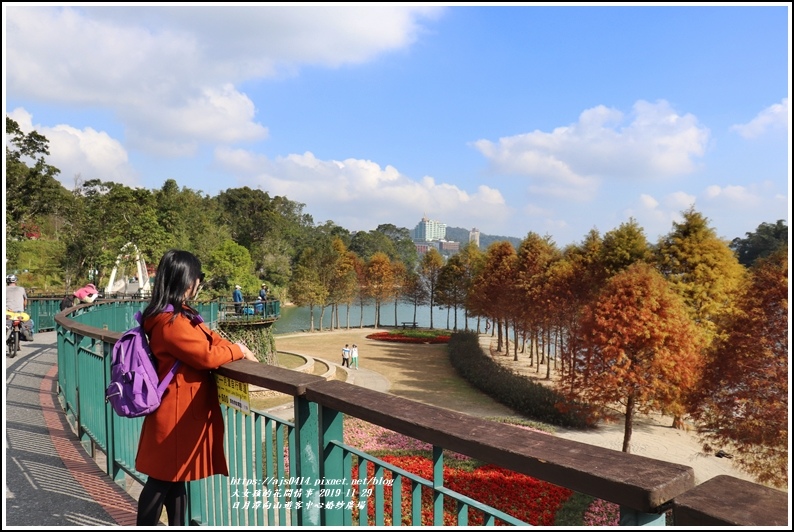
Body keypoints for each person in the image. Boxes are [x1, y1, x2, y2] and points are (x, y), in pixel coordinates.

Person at [135, 250, 258, 526]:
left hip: (178, 409)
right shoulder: (171, 322)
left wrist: (231, 348)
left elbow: (212, 341)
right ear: (184, 280)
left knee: (175, 480)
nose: (198, 283)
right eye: (197, 278)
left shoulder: (178, 315)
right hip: (175, 413)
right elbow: (206, 355)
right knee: (161, 482)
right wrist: (238, 349)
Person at [6, 274, 34, 340]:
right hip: (19, 312)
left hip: (7, 312)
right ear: (15, 281)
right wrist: (23, 308)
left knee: (7, 322)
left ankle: (7, 328)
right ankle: (27, 330)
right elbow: (25, 300)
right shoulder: (21, 289)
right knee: (29, 321)